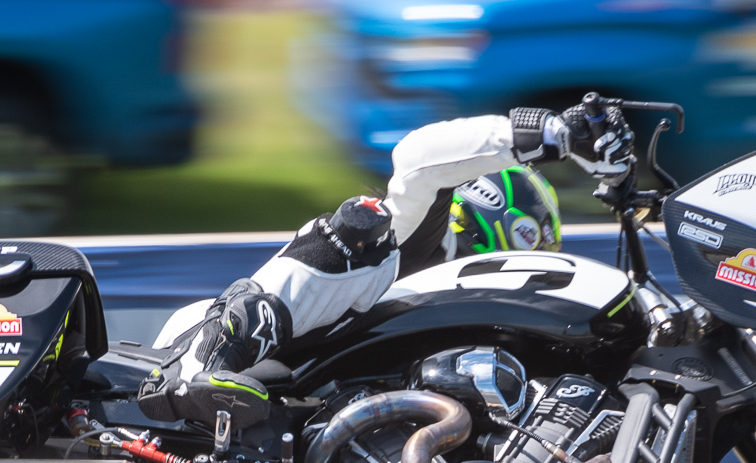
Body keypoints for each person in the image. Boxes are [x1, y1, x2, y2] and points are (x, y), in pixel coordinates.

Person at [136, 108, 592, 428]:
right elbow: (419, 157)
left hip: (307, 419)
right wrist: (551, 132)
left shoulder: (478, 330)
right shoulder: (419, 244)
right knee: (365, 227)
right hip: (201, 358)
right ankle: (203, 358)